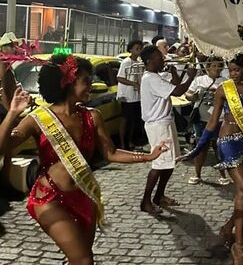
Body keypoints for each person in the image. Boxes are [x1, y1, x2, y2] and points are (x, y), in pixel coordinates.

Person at [0, 55, 168, 264]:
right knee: (83, 259)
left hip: (83, 196)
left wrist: (148, 156)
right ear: (67, 82)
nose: (92, 84)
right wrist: (13, 113)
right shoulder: (37, 119)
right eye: (87, 80)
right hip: (49, 199)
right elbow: (3, 146)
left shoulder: (92, 116)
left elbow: (111, 153)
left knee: (80, 259)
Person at [178, 54, 243, 264]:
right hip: (228, 141)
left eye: (237, 70)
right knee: (241, 188)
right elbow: (213, 122)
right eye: (230, 70)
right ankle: (238, 245)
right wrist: (197, 149)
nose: (233, 74)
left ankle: (228, 226)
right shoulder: (225, 90)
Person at [139, 45, 197, 214]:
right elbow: (179, 91)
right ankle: (146, 201)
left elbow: (175, 86)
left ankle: (159, 196)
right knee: (159, 164)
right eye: (159, 57)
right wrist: (191, 76)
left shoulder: (155, 76)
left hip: (164, 122)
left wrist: (174, 73)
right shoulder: (151, 78)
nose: (163, 59)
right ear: (150, 61)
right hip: (158, 125)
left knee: (169, 163)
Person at [184, 56, 231, 185]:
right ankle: (197, 174)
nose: (216, 69)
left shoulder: (225, 81)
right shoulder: (199, 80)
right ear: (208, 67)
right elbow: (188, 94)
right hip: (201, 117)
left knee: (219, 147)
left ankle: (223, 175)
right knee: (201, 145)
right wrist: (193, 96)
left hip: (219, 118)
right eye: (214, 66)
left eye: (219, 66)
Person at [116, 40, 144, 149]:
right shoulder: (126, 62)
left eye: (140, 48)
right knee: (125, 119)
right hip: (127, 96)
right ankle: (122, 143)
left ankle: (131, 141)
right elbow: (119, 77)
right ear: (131, 50)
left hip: (136, 96)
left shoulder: (139, 62)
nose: (139, 50)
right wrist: (133, 83)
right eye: (137, 48)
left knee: (133, 120)